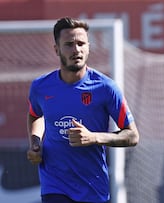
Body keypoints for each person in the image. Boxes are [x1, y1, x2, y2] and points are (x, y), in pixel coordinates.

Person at [26, 17, 140, 203]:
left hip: (92, 187)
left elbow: (132, 136)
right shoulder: (41, 87)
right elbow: (35, 115)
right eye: (69, 44)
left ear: (88, 47)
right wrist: (35, 142)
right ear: (57, 49)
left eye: (81, 43)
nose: (76, 50)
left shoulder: (105, 88)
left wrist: (94, 137)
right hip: (54, 184)